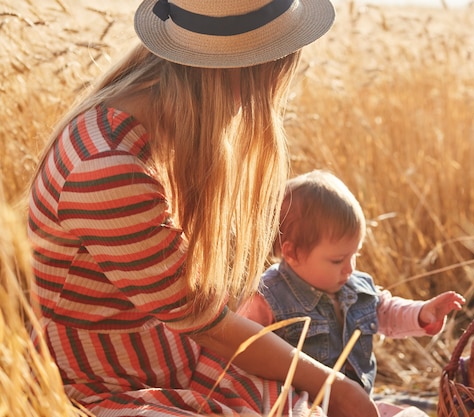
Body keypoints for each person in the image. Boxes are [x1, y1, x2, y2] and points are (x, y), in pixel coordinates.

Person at [26, 1, 380, 416]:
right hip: (106, 389)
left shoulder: (153, 127)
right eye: (279, 68)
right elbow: (211, 327)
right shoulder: (108, 167)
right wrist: (338, 387)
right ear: (243, 74)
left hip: (171, 361)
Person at [238, 170, 466, 416]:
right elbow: (244, 350)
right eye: (337, 260)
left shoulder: (355, 287)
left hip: (359, 406)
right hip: (302, 408)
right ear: (293, 254)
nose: (350, 268)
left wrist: (423, 313)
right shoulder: (269, 296)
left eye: (354, 255)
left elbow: (386, 311)